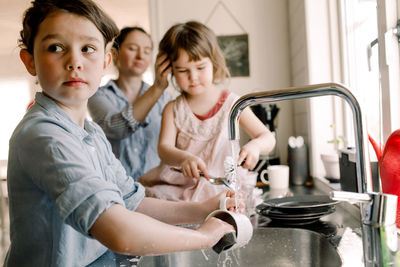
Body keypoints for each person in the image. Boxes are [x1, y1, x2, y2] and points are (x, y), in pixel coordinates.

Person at [6, 2, 241, 266]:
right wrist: (203, 237)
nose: (74, 62)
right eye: (56, 47)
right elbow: (118, 230)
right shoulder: (45, 136)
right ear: (29, 61)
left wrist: (203, 208)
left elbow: (131, 201)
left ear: (105, 61)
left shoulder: (91, 133)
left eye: (88, 49)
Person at [139, 21, 276, 202]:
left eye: (200, 68)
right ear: (170, 69)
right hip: (180, 190)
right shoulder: (173, 109)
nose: (193, 77)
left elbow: (267, 137)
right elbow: (164, 149)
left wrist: (255, 146)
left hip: (223, 189)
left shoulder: (233, 104)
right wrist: (183, 158)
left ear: (214, 63)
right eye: (182, 70)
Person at [88, 27, 173, 180]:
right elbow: (117, 128)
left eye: (147, 51)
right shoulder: (97, 95)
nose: (140, 56)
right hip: (116, 189)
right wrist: (157, 87)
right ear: (114, 54)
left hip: (157, 189)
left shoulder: (164, 99)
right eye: (133, 49)